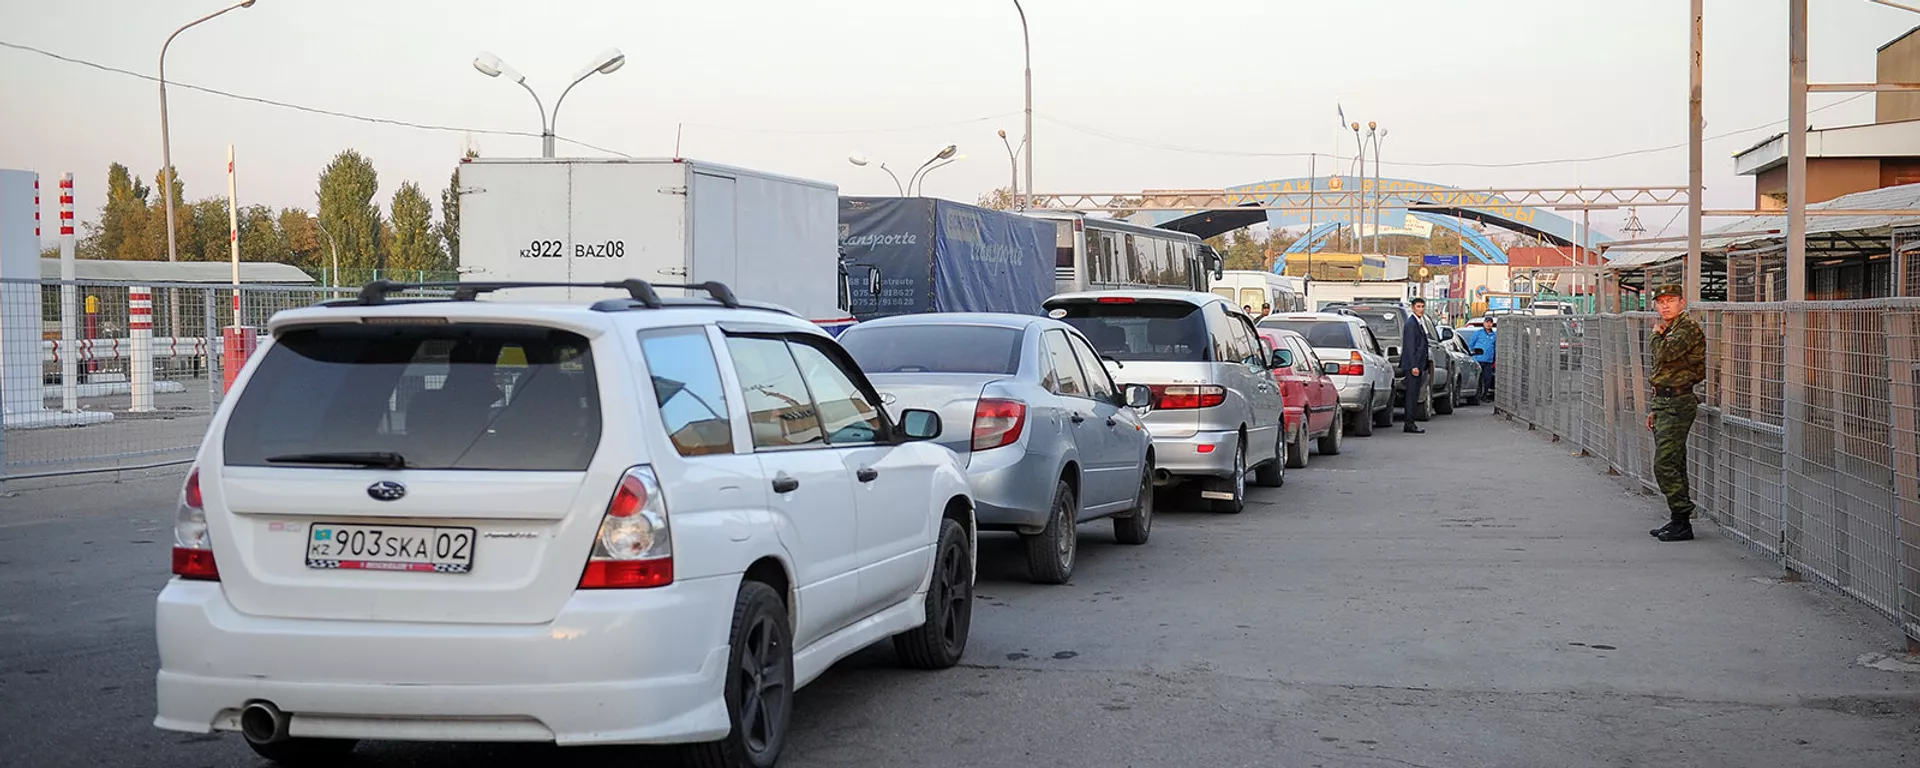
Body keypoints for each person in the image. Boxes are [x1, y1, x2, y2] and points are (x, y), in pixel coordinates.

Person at [1646, 284, 1707, 542]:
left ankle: (1682, 518)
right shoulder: (1670, 329)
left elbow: (1665, 353)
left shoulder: (1686, 328)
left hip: (1678, 401)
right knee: (1674, 460)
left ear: (1682, 302)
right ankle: (1678, 520)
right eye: (1660, 302)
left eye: (1670, 300)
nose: (1665, 306)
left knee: (1664, 463)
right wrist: (1654, 407)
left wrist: (1655, 336)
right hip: (1665, 401)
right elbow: (1662, 371)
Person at [1399, 298, 1431, 434]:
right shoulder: (1411, 324)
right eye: (1418, 306)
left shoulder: (1419, 322)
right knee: (1412, 395)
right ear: (1413, 308)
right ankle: (1409, 423)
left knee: (1415, 394)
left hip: (1418, 364)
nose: (1421, 309)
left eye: (1422, 306)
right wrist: (1414, 366)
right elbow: (1410, 346)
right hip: (1413, 365)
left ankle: (1410, 422)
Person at [1471, 314, 1497, 398]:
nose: (1488, 324)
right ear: (1484, 323)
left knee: (1487, 379)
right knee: (1477, 378)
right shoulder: (1478, 333)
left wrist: (1494, 359)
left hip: (1488, 361)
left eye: (1490, 322)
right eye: (1487, 322)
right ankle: (1476, 395)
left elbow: (1495, 348)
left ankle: (1484, 395)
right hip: (1477, 360)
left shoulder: (1494, 335)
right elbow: (1471, 345)